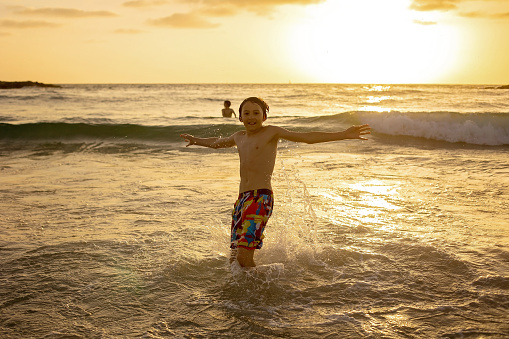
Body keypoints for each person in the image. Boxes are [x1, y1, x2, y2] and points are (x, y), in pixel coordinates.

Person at [181, 97, 371, 268]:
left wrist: (343, 134)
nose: (251, 117)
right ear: (239, 118)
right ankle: (241, 300)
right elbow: (217, 142)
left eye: (256, 113)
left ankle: (258, 300)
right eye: (246, 113)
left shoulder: (271, 132)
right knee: (234, 258)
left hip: (260, 199)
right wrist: (196, 140)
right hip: (242, 200)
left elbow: (307, 138)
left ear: (264, 117)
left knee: (243, 258)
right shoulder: (239, 137)